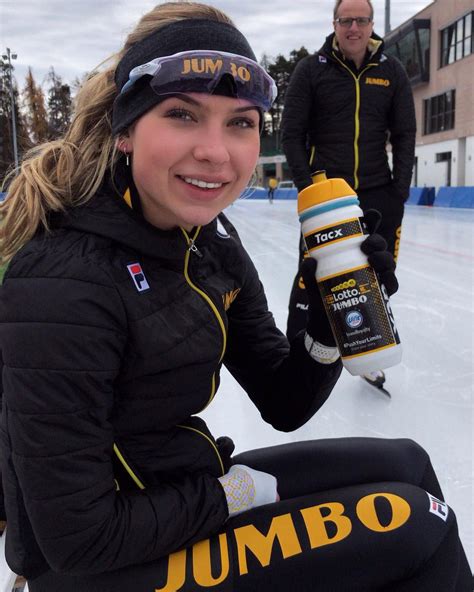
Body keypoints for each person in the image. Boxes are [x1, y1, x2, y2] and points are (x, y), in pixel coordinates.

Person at [0, 3, 471, 591]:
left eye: (240, 123)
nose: (215, 153)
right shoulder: (65, 278)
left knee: (408, 465)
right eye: (182, 115)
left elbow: (283, 400)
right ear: (125, 129)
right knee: (417, 525)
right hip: (97, 561)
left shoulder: (209, 240)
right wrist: (227, 497)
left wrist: (325, 315)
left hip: (177, 483)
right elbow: (77, 537)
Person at [282, 0, 417, 392]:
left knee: (375, 272)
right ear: (335, 24)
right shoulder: (311, 70)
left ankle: (369, 348)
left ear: (372, 24)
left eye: (361, 20)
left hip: (379, 192)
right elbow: (292, 133)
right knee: (313, 273)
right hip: (328, 197)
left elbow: (405, 133)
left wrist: (400, 190)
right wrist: (309, 187)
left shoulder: (391, 71)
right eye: (346, 20)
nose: (353, 28)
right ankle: (296, 347)